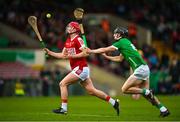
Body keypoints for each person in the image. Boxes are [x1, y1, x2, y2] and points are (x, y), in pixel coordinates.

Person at [87, 27, 170, 117]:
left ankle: (146, 92)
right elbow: (119, 59)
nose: (114, 34)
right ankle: (163, 109)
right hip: (145, 68)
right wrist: (107, 57)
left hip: (140, 69)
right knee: (148, 97)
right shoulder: (126, 43)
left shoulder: (121, 42)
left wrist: (91, 51)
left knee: (125, 89)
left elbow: (106, 49)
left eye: (116, 33)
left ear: (121, 35)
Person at [44, 21, 119, 115]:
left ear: (75, 29)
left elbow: (85, 53)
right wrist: (50, 52)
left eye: (70, 27)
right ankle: (114, 102)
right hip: (78, 69)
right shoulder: (68, 40)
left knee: (62, 84)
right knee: (92, 91)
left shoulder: (78, 39)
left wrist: (72, 56)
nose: (68, 28)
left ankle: (64, 108)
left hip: (81, 68)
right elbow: (63, 55)